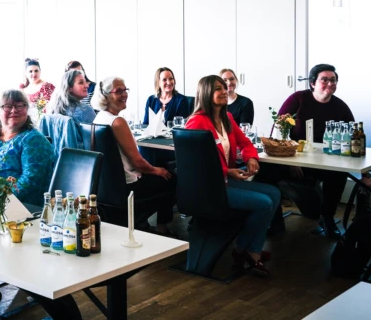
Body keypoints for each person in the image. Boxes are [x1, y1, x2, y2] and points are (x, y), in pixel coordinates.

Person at [185, 76, 281, 277]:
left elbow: (246, 143)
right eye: (218, 89)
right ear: (206, 94)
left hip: (226, 182)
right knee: (264, 203)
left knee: (274, 193)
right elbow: (196, 165)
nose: (224, 91)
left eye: (224, 88)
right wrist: (226, 171)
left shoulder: (226, 118)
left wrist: (251, 159)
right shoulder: (196, 123)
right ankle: (249, 251)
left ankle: (245, 249)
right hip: (210, 189)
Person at [261, 63, 354, 239]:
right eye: (324, 79)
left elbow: (351, 133)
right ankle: (275, 220)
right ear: (312, 83)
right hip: (293, 157)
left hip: (324, 160)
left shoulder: (340, 106)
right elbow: (278, 129)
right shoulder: (298, 99)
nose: (329, 83)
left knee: (338, 174)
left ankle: (327, 218)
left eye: (333, 80)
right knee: (265, 170)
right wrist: (291, 161)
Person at [92, 77, 176, 235]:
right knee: (172, 177)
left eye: (125, 90)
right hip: (130, 187)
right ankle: (161, 228)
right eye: (118, 91)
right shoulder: (117, 122)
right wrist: (156, 171)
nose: (124, 94)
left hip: (107, 188)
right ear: (105, 96)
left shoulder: (98, 119)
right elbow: (137, 162)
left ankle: (142, 223)